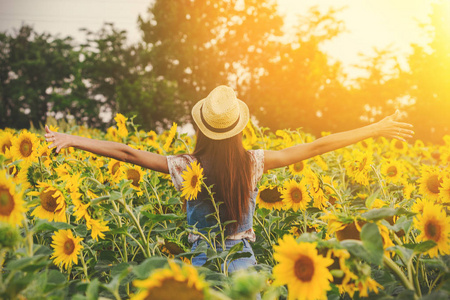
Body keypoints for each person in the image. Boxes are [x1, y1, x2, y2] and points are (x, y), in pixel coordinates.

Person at [45, 85, 414, 273]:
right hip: (244, 262)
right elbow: (318, 146)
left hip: (202, 262)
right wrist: (375, 128)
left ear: (202, 128)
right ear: (237, 128)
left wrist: (74, 139)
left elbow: (127, 153)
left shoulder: (186, 166)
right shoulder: (253, 163)